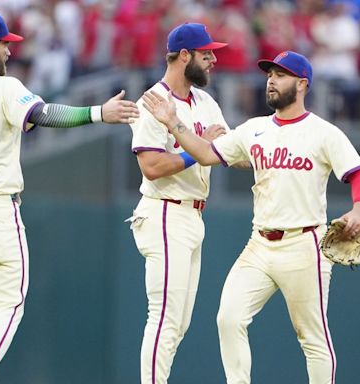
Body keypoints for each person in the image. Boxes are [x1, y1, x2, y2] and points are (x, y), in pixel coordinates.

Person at [0, 11, 139, 384]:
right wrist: (98, 112)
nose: (10, 52)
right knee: (8, 304)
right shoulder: (3, 88)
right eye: (5, 45)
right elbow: (44, 114)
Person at [141, 50, 360, 384]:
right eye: (269, 75)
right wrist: (173, 123)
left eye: (281, 75)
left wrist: (359, 210)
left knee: (313, 339)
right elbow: (206, 153)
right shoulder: (254, 129)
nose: (272, 81)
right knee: (228, 319)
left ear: (302, 84)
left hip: (304, 244)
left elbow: (359, 176)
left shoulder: (324, 133)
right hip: (259, 245)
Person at [127, 22, 230, 384]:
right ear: (184, 56)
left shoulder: (205, 101)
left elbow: (222, 151)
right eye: (206, 54)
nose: (213, 60)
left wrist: (194, 144)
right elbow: (152, 167)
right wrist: (197, 149)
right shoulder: (153, 101)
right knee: (165, 318)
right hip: (165, 212)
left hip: (192, 215)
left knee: (179, 323)